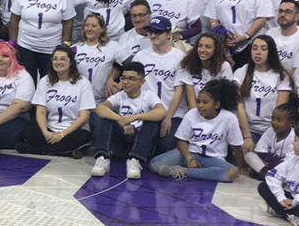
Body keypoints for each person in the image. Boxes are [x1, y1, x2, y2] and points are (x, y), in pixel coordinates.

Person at [149, 79, 246, 182]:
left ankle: (184, 171)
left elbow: (236, 146)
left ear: (216, 105)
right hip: (189, 153)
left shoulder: (229, 118)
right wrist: (189, 158)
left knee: (232, 173)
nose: (200, 105)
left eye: (205, 102)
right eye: (198, 101)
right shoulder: (191, 114)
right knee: (153, 166)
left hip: (213, 158)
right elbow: (181, 140)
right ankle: (204, 172)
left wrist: (242, 166)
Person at [16, 45, 94, 156]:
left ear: (71, 62)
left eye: (63, 59)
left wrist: (61, 135)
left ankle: (39, 150)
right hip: (50, 129)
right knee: (28, 131)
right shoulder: (45, 80)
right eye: (55, 59)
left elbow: (84, 116)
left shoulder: (83, 83)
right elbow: (41, 111)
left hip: (72, 131)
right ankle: (65, 151)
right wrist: (45, 132)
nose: (58, 62)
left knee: (83, 137)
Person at [92, 62, 166, 179]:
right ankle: (103, 158)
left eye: (131, 79)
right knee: (105, 118)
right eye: (123, 78)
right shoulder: (119, 95)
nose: (126, 82)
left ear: (141, 82)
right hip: (121, 140)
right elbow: (100, 108)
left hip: (140, 142)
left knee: (152, 122)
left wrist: (134, 117)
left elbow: (161, 112)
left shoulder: (148, 95)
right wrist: (121, 120)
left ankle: (135, 160)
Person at [9, 0, 75, 83]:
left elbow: (68, 22)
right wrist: (13, 44)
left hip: (51, 47)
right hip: (26, 46)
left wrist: (65, 45)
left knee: (50, 81)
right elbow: (14, 19)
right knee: (26, 82)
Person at [132, 16, 187, 154]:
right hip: (147, 112)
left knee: (166, 144)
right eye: (150, 31)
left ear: (169, 34)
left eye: (158, 32)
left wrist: (168, 117)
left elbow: (179, 90)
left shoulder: (179, 57)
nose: (153, 35)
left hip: (173, 113)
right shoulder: (140, 56)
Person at [234, 35, 291, 151]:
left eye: (263, 49)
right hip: (248, 129)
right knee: (248, 155)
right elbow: (239, 106)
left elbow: (280, 109)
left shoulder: (281, 75)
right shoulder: (241, 72)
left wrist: (267, 137)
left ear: (271, 51)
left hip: (274, 129)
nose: (258, 53)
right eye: (254, 48)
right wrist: (247, 136)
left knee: (263, 158)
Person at [72, 13, 129, 103]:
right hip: (78, 102)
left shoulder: (112, 46)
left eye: (94, 26)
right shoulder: (75, 48)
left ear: (102, 29)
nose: (89, 29)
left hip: (104, 102)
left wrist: (116, 81)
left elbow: (132, 64)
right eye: (87, 25)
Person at [244, 98, 299, 179]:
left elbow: (289, 161)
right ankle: (266, 174)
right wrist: (269, 162)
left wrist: (269, 164)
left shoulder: (294, 137)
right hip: (269, 163)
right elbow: (260, 150)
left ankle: (261, 172)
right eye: (273, 119)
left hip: (283, 166)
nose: (274, 122)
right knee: (249, 155)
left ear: (291, 123)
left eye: (279, 120)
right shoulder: (270, 131)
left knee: (291, 167)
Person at [176, 33, 234, 108]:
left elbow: (227, 97)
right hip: (197, 110)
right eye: (200, 46)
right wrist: (196, 118)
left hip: (217, 111)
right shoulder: (189, 65)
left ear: (216, 50)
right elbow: (191, 101)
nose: (202, 50)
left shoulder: (224, 66)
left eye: (208, 47)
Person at [266, 0, 299, 75]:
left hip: (291, 82)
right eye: (280, 11)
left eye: (288, 12)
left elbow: (297, 72)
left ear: (297, 17)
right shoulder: (270, 33)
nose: (282, 15)